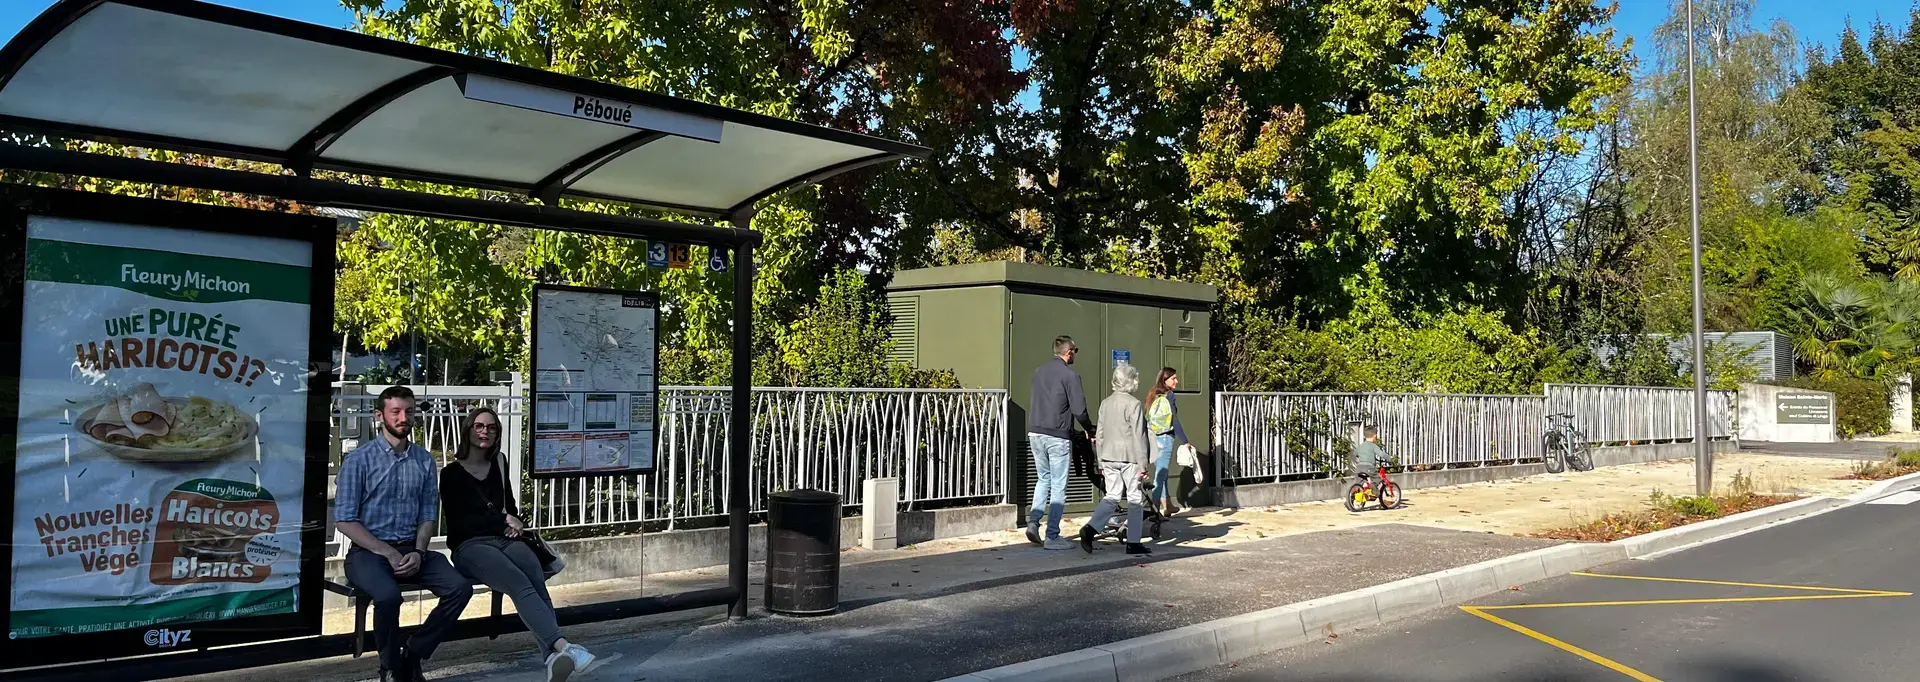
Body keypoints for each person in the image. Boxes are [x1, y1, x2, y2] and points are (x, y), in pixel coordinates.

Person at [442, 407, 595, 681]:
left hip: (503, 539)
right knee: (517, 580)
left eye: (491, 427)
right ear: (468, 430)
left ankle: (551, 657)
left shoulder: (499, 462)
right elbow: (460, 523)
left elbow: (508, 507)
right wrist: (503, 524)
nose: (484, 432)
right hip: (470, 547)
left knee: (533, 572)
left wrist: (515, 525)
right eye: (478, 426)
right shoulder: (451, 474)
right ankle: (564, 647)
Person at [335, 386, 473, 682]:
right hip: (369, 553)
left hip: (412, 549)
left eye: (409, 411)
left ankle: (414, 651)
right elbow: (345, 520)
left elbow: (427, 514)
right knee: (388, 597)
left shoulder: (423, 460)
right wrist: (388, 552)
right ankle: (389, 666)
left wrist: (419, 551)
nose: (403, 417)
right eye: (395, 411)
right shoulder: (359, 461)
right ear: (379, 416)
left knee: (460, 588)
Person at [1027, 335, 1095, 550]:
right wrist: (1089, 429)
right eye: (1075, 350)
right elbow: (1079, 410)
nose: (1075, 354)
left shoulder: (1039, 371)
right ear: (1069, 352)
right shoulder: (1070, 375)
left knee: (1042, 479)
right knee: (1058, 485)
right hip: (1057, 434)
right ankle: (1053, 536)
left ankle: (1033, 522)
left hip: (1035, 432)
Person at [1079, 361, 1153, 555]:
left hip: (1109, 456)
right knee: (1135, 499)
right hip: (1129, 457)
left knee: (1111, 496)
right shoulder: (1134, 404)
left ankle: (1091, 528)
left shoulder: (1105, 403)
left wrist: (1101, 461)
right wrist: (1143, 463)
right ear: (1131, 382)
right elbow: (1139, 435)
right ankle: (1133, 542)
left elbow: (1100, 434)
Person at [1144, 367, 1192, 517]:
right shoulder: (1169, 395)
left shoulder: (1153, 394)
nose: (1176, 381)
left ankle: (1168, 505)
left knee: (1161, 473)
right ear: (1165, 380)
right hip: (1165, 438)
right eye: (1173, 378)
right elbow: (1174, 419)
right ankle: (1155, 508)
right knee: (1161, 475)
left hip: (1153, 438)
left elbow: (1146, 417)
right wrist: (1185, 441)